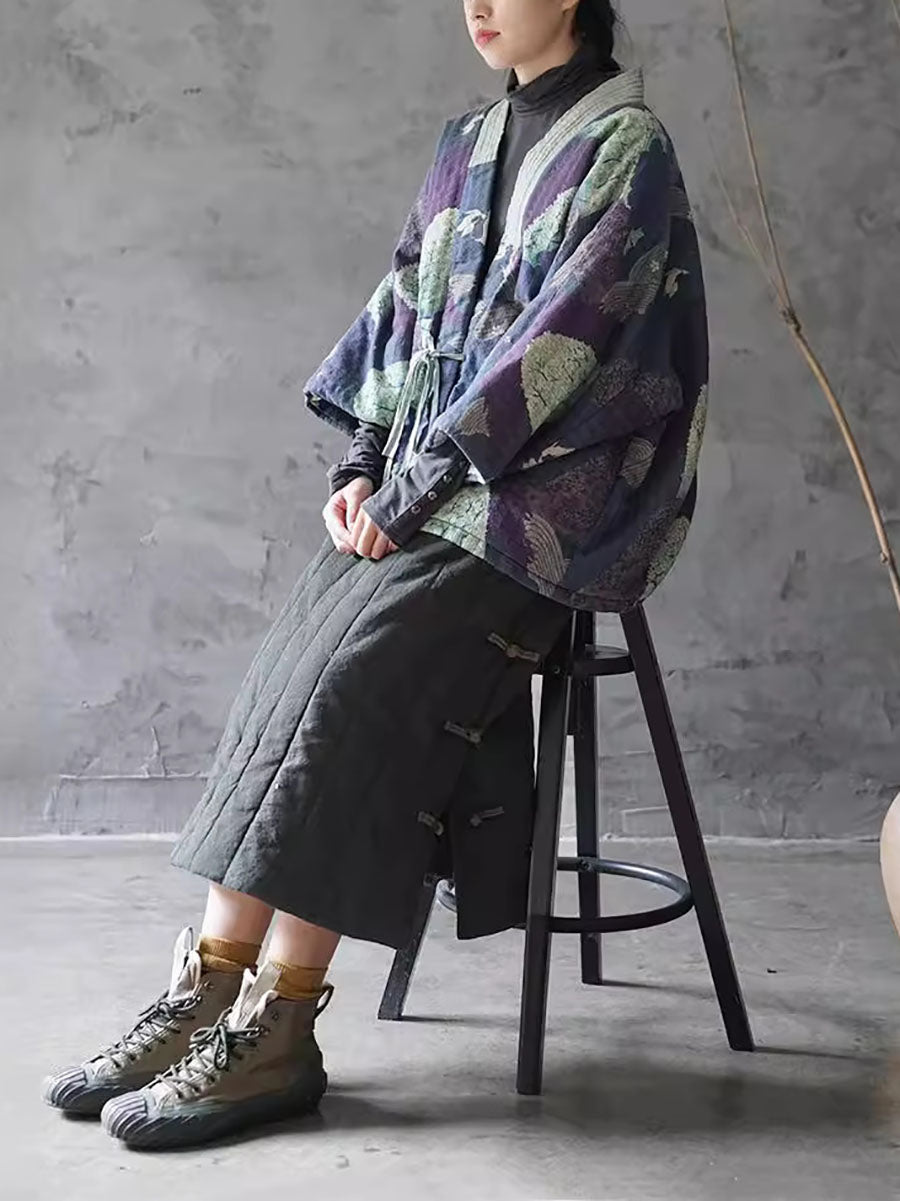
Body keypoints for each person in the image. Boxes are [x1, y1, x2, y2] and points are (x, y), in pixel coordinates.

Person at [42, 0, 707, 1149]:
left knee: (356, 685)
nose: (479, 4)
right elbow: (404, 308)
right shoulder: (467, 144)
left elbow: (562, 350)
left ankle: (283, 1024)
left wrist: (410, 490)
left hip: (559, 503)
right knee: (291, 668)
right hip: (439, 485)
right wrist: (363, 463)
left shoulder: (625, 147)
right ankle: (209, 988)